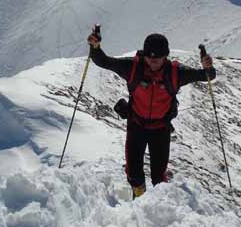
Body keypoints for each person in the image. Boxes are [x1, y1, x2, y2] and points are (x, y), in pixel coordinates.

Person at [87, 29, 216, 199]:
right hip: (136, 126)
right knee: (133, 174)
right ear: (144, 55)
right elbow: (103, 61)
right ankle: (140, 199)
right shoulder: (134, 67)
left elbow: (208, 76)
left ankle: (157, 206)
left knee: (158, 178)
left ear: (166, 56)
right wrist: (95, 48)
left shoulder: (175, 73)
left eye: (158, 58)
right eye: (149, 57)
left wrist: (208, 67)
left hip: (160, 130)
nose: (153, 61)